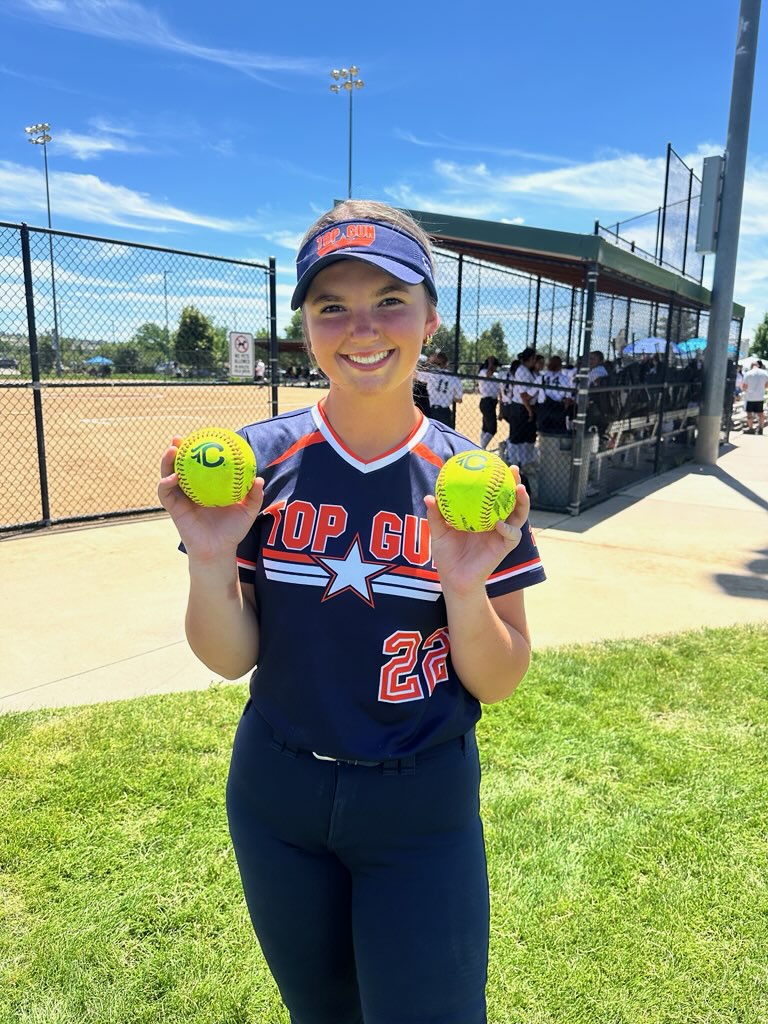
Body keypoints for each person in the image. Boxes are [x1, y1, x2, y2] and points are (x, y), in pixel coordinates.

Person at [158, 198, 545, 1024]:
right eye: (332, 306)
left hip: (420, 799)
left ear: (431, 318)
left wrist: (463, 586)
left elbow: (501, 678)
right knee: (321, 1013)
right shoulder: (257, 463)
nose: (362, 328)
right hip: (278, 791)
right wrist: (212, 558)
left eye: (390, 300)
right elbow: (230, 658)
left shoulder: (473, 482)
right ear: (305, 327)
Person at [504, 347, 539, 469]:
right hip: (521, 406)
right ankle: (513, 462)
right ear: (531, 358)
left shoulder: (528, 370)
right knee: (516, 437)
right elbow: (524, 396)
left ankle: (523, 463)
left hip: (525, 406)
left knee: (525, 437)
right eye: (534, 358)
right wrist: (530, 411)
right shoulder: (522, 371)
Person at [418, 349, 463, 428]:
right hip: (444, 412)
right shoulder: (454, 378)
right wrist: (449, 394)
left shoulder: (432, 374)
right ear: (447, 363)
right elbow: (459, 399)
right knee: (446, 432)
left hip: (431, 411)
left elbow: (416, 375)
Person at [477, 354, 501, 449]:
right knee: (492, 429)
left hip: (492, 402)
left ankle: (481, 447)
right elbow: (488, 373)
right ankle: (481, 448)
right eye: (495, 366)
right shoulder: (483, 372)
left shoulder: (495, 375)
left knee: (486, 428)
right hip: (487, 401)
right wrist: (491, 363)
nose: (495, 368)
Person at [742, 359, 768, 434]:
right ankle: (761, 428)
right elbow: (766, 385)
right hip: (760, 396)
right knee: (760, 413)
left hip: (750, 397)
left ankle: (751, 428)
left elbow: (744, 386)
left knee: (749, 413)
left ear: (751, 366)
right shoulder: (764, 373)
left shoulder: (748, 374)